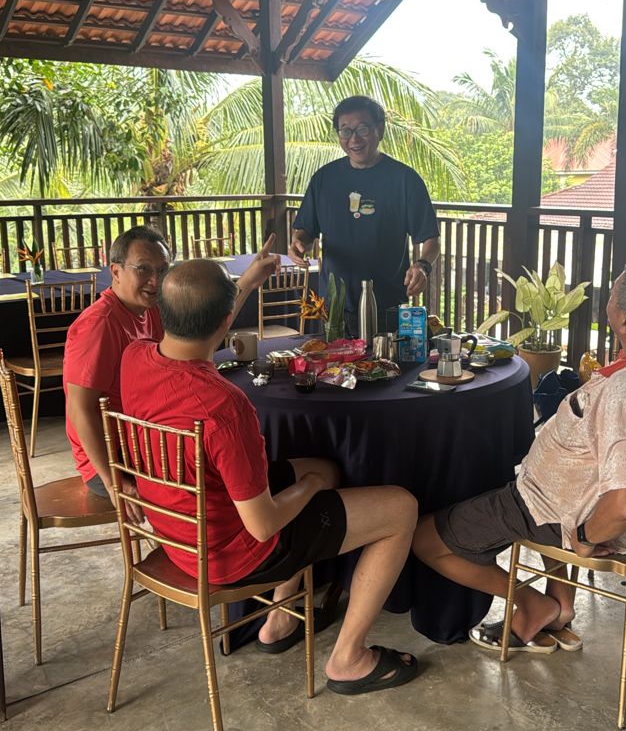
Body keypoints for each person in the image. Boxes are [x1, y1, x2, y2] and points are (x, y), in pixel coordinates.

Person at [117, 259, 419, 694]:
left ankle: (278, 621)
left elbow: (209, 319)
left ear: (162, 311)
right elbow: (262, 526)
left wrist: (315, 480)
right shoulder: (223, 405)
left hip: (176, 532)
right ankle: (349, 658)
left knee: (324, 466)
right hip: (232, 555)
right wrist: (309, 488)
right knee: (401, 508)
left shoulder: (134, 357)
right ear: (227, 321)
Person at [412, 216, 626, 654]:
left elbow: (625, 502)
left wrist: (583, 537)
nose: (608, 301)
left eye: (612, 296)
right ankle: (562, 604)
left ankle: (533, 604)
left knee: (424, 539)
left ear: (624, 322)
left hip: (551, 512)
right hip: (570, 491)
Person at [64, 225, 278, 514]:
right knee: (232, 480)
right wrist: (112, 480)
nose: (155, 280)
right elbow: (79, 409)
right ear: (115, 271)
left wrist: (249, 281)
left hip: (151, 441)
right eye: (143, 269)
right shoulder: (99, 326)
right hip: (117, 459)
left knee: (245, 458)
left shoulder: (151, 308)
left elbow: (206, 323)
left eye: (162, 270)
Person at [289, 95, 440, 330]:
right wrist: (299, 243)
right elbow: (305, 231)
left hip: (388, 306)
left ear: (380, 130)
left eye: (363, 129)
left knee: (387, 356)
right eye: (345, 131)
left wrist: (422, 266)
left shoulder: (404, 180)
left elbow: (431, 239)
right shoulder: (324, 179)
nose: (354, 139)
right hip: (333, 308)